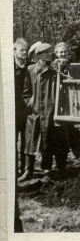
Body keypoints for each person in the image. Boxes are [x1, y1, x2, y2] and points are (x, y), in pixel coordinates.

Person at [20, 42, 69, 181]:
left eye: (50, 52)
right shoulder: (31, 69)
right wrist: (30, 103)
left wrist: (63, 70)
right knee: (31, 142)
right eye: (47, 52)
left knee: (57, 140)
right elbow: (26, 92)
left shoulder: (55, 69)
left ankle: (58, 169)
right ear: (39, 55)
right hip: (36, 112)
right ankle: (28, 171)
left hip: (52, 111)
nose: (50, 54)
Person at [13, 38, 29, 175]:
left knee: (25, 141)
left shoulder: (29, 67)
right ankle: (13, 170)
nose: (24, 53)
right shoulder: (9, 68)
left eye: (26, 50)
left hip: (26, 111)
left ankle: (24, 169)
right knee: (12, 143)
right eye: (21, 50)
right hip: (12, 111)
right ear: (14, 51)